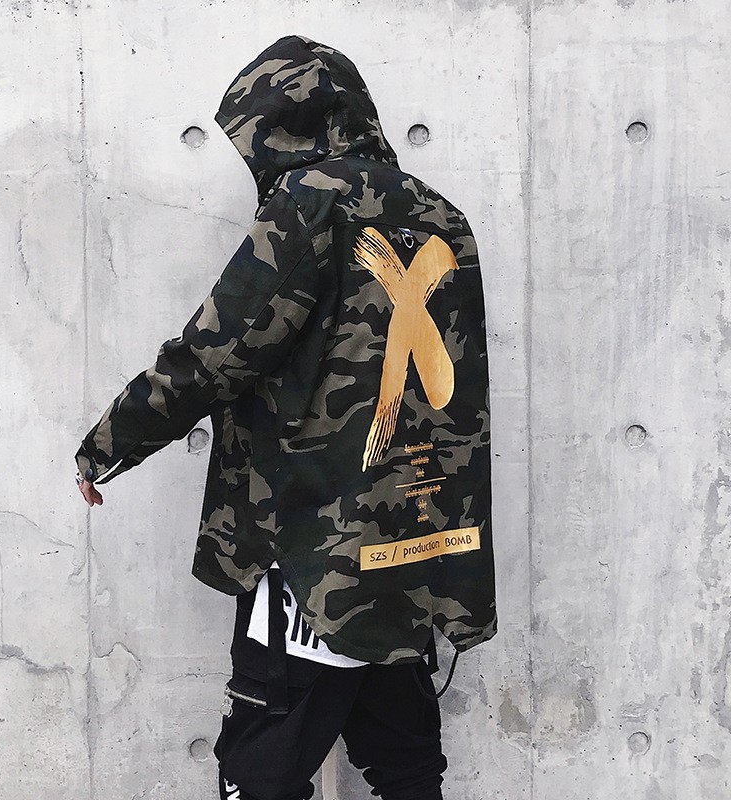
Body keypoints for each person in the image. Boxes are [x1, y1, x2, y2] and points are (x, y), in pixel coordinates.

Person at [75, 34, 497, 800]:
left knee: (259, 771)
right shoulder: (441, 214)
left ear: (279, 124)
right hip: (415, 543)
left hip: (315, 546)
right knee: (406, 766)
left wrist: (108, 444)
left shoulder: (310, 202)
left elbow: (218, 350)